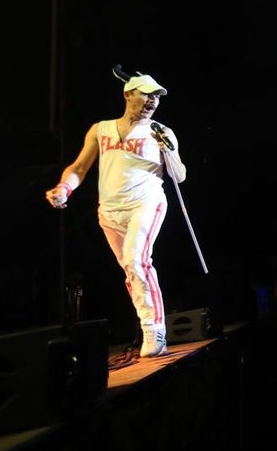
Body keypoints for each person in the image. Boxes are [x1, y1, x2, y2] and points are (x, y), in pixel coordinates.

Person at [44, 69, 186, 357]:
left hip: (146, 203)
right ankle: (147, 323)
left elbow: (180, 176)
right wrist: (64, 188)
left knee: (137, 260)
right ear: (128, 95)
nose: (152, 101)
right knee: (130, 269)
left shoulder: (161, 131)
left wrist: (168, 150)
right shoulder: (101, 129)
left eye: (157, 96)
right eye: (147, 94)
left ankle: (154, 329)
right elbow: (80, 167)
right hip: (109, 211)